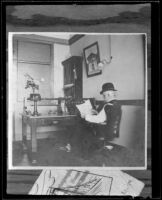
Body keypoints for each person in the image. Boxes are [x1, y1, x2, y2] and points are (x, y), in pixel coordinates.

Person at [85, 82, 122, 150]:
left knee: (84, 127)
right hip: (113, 132)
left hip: (105, 132)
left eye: (104, 96)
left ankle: (86, 152)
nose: (104, 98)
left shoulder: (107, 105)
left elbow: (98, 119)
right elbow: (109, 117)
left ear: (108, 94)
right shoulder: (117, 104)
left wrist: (86, 116)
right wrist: (97, 113)